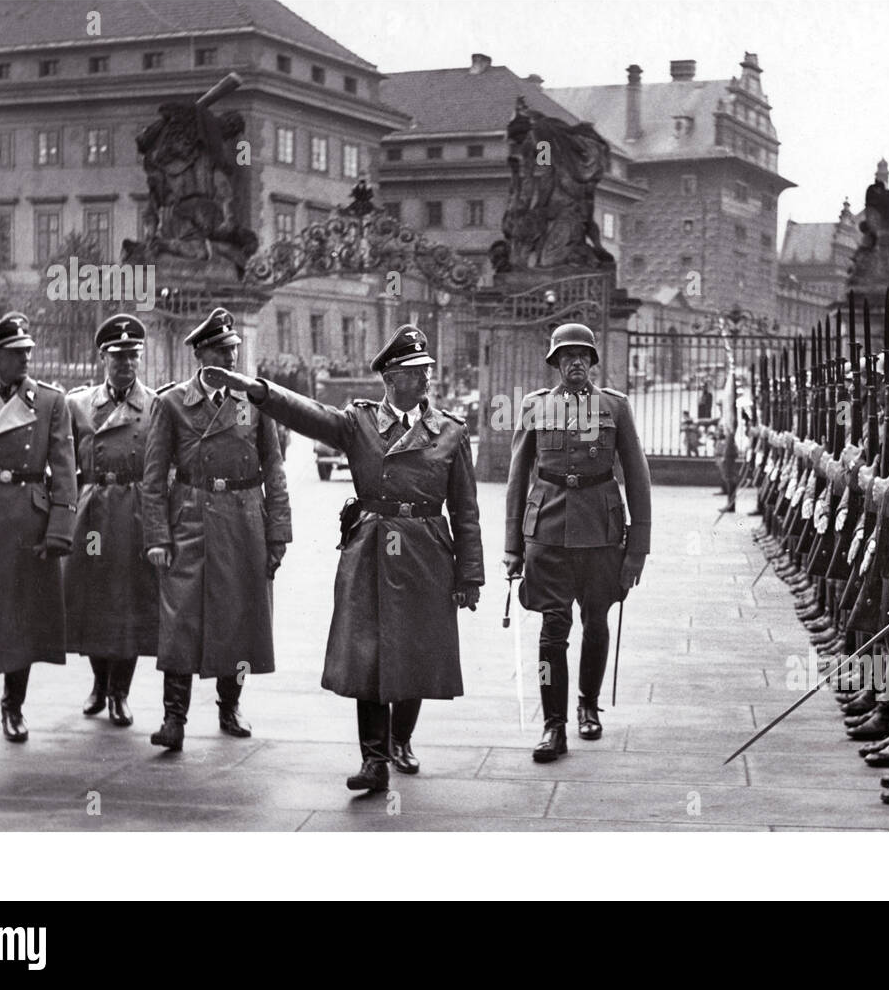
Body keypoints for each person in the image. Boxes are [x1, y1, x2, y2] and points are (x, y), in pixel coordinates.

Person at [207, 323, 483, 792]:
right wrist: (259, 391)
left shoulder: (450, 432)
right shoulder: (358, 425)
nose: (427, 379)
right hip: (370, 551)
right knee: (369, 657)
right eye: (417, 372)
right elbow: (309, 415)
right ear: (390, 378)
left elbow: (466, 509)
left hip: (425, 551)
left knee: (415, 651)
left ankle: (401, 740)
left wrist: (469, 574)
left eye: (428, 370)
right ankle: (374, 761)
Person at [141, 308, 291, 752]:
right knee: (180, 619)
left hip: (245, 521)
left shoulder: (255, 403)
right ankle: (174, 719)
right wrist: (156, 537)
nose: (232, 359)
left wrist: (278, 532)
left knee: (241, 620)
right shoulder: (171, 404)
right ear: (201, 356)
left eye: (234, 351)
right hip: (190, 518)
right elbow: (153, 477)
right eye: (223, 351)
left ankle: (230, 706)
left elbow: (275, 469)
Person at [504, 323, 652, 762]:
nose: (575, 363)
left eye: (583, 356)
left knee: (596, 621)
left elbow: (638, 479)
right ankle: (554, 726)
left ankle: (588, 703)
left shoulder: (616, 408)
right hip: (547, 533)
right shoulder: (534, 407)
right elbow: (517, 479)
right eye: (566, 356)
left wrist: (637, 549)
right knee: (552, 630)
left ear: (592, 362)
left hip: (602, 536)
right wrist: (512, 547)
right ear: (554, 363)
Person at [0, 312, 77, 741]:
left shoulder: (50, 402)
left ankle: (12, 707)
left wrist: (60, 529)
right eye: (16, 353)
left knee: (19, 621)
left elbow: (65, 470)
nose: (27, 358)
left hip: (26, 519)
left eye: (28, 351)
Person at [63, 314, 160, 728]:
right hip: (93, 511)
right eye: (119, 358)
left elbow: (162, 468)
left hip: (134, 510)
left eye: (133, 358)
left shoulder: (155, 405)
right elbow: (63, 464)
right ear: (103, 357)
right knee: (93, 599)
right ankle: (99, 684)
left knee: (131, 603)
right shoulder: (78, 405)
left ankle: (120, 693)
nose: (127, 365)